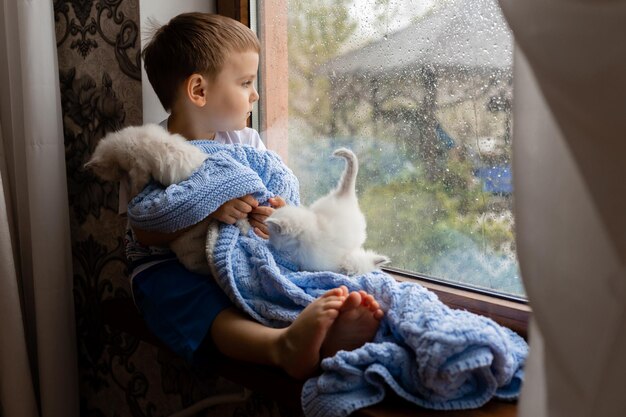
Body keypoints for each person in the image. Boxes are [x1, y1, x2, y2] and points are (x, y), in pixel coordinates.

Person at [126, 12, 384, 380]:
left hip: (234, 256)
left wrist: (273, 213)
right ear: (199, 91)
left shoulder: (246, 143)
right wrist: (209, 207)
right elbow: (146, 229)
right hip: (163, 267)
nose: (256, 94)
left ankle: (319, 328)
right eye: (246, 82)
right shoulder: (151, 151)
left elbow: (273, 191)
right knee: (203, 305)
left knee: (271, 280)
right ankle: (281, 347)